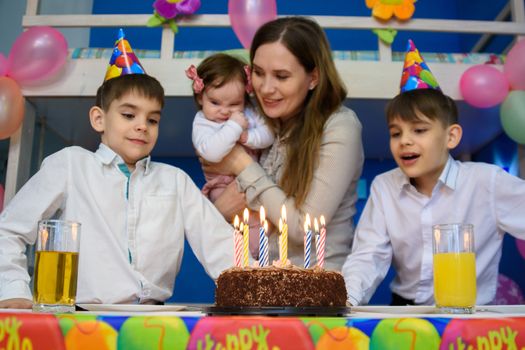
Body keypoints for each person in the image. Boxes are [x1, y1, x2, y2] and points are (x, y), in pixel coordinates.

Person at [0, 29, 234, 309]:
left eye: (153, 120)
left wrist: (260, 288)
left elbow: (220, 244)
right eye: (128, 115)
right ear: (99, 119)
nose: (141, 126)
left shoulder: (175, 181)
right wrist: (13, 289)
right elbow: (9, 230)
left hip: (153, 319)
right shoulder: (71, 165)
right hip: (80, 317)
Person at [342, 40, 525, 306]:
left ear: (451, 137)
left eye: (419, 130)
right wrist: (347, 298)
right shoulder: (384, 187)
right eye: (396, 133)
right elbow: (368, 256)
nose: (404, 140)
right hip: (406, 311)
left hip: (471, 313)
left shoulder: (487, 182)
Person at [202, 17, 364, 271]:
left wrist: (240, 163)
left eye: (281, 76)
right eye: (258, 72)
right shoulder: (256, 123)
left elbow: (303, 228)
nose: (266, 88)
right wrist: (220, 208)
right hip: (258, 282)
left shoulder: (340, 127)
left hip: (315, 292)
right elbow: (224, 215)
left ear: (313, 78)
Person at [188, 53, 274, 256]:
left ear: (245, 98)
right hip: (221, 185)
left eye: (234, 104)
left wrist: (248, 137)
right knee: (235, 225)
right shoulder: (202, 122)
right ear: (201, 97)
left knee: (265, 220)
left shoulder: (250, 114)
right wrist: (235, 126)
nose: (225, 111)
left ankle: (254, 256)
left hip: (252, 180)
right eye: (215, 103)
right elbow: (212, 152)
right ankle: (242, 257)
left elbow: (268, 134)